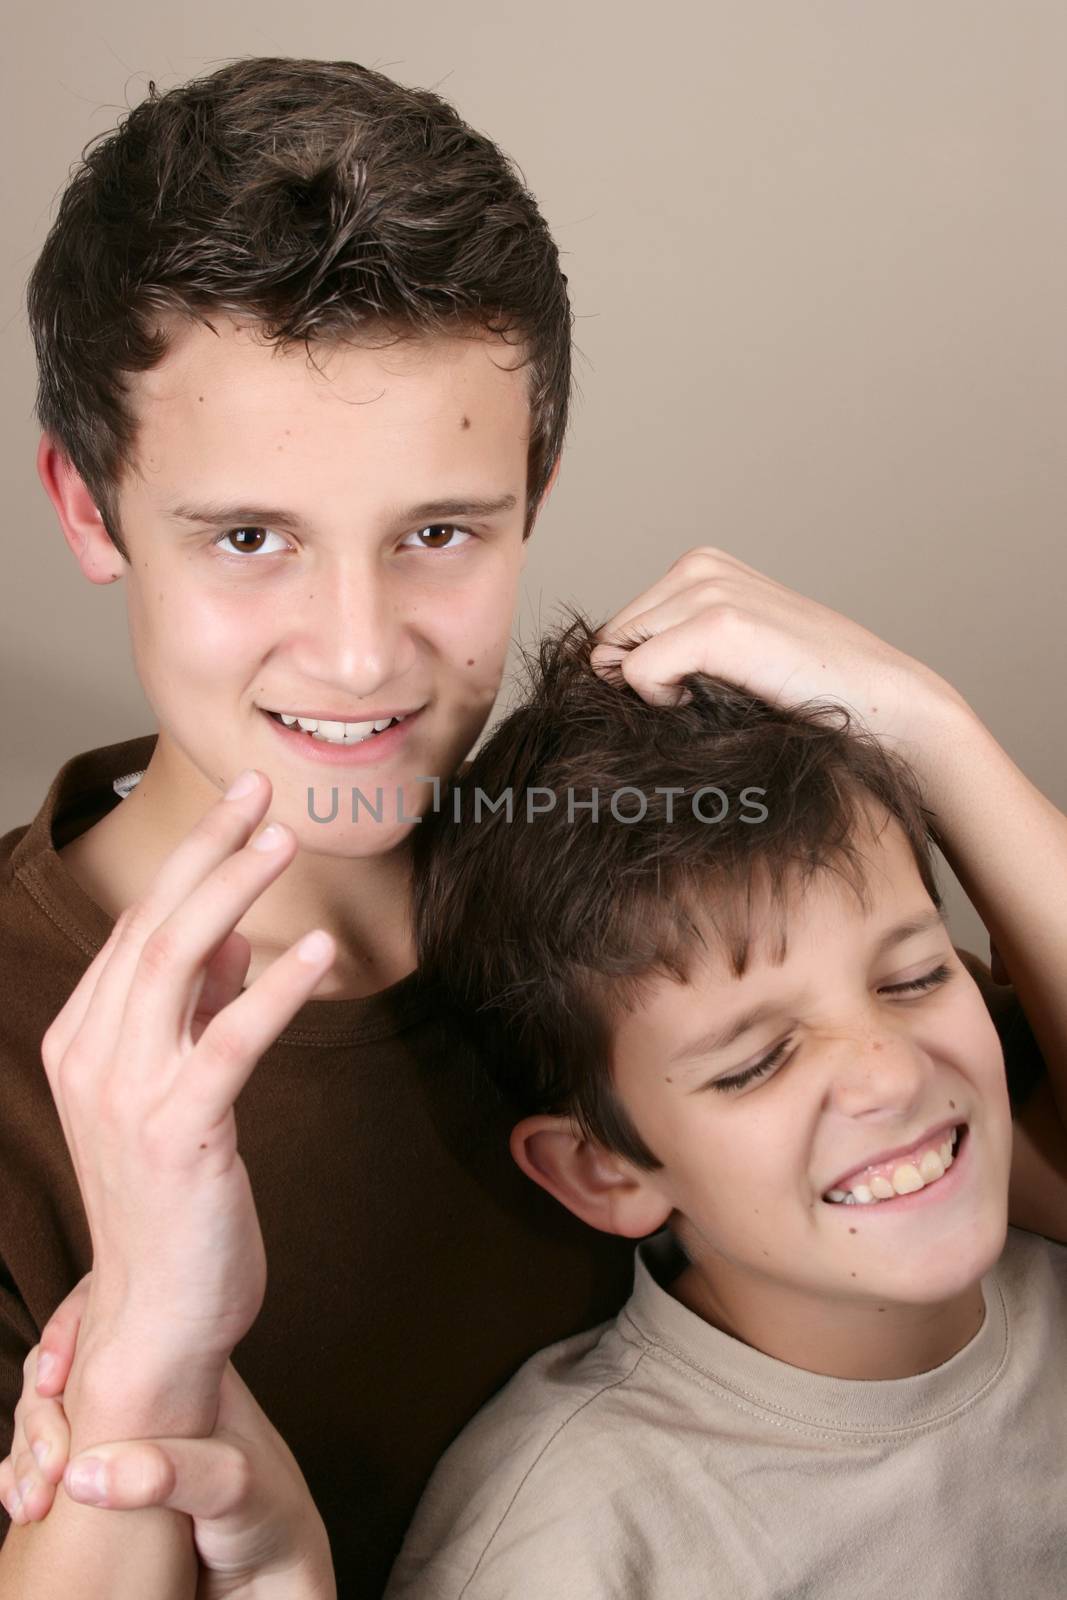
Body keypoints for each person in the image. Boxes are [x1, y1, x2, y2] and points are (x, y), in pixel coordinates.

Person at [0, 49, 1052, 1600]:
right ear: (88, 507)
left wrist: (928, 729)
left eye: (437, 533)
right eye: (246, 538)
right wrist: (150, 1324)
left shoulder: (643, 893)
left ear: (533, 484)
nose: (357, 652)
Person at [5, 617, 1066, 1599]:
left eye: (915, 977)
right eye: (752, 1062)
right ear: (603, 1170)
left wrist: (923, 720)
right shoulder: (572, 1545)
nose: (886, 1071)